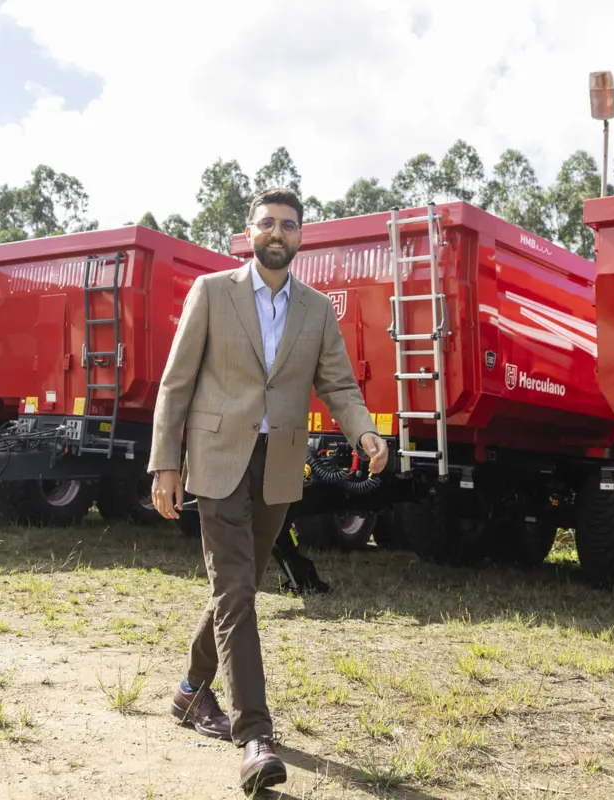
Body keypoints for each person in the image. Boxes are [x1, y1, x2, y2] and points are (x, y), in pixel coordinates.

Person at [148, 186, 388, 793]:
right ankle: (254, 735)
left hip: (278, 464)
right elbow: (176, 385)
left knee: (242, 585)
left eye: (288, 225)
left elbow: (338, 384)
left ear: (301, 236)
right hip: (216, 456)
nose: (276, 233)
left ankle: (186, 693)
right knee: (235, 590)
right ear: (248, 232)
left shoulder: (317, 310)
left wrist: (365, 434)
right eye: (266, 224)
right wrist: (165, 464)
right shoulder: (212, 293)